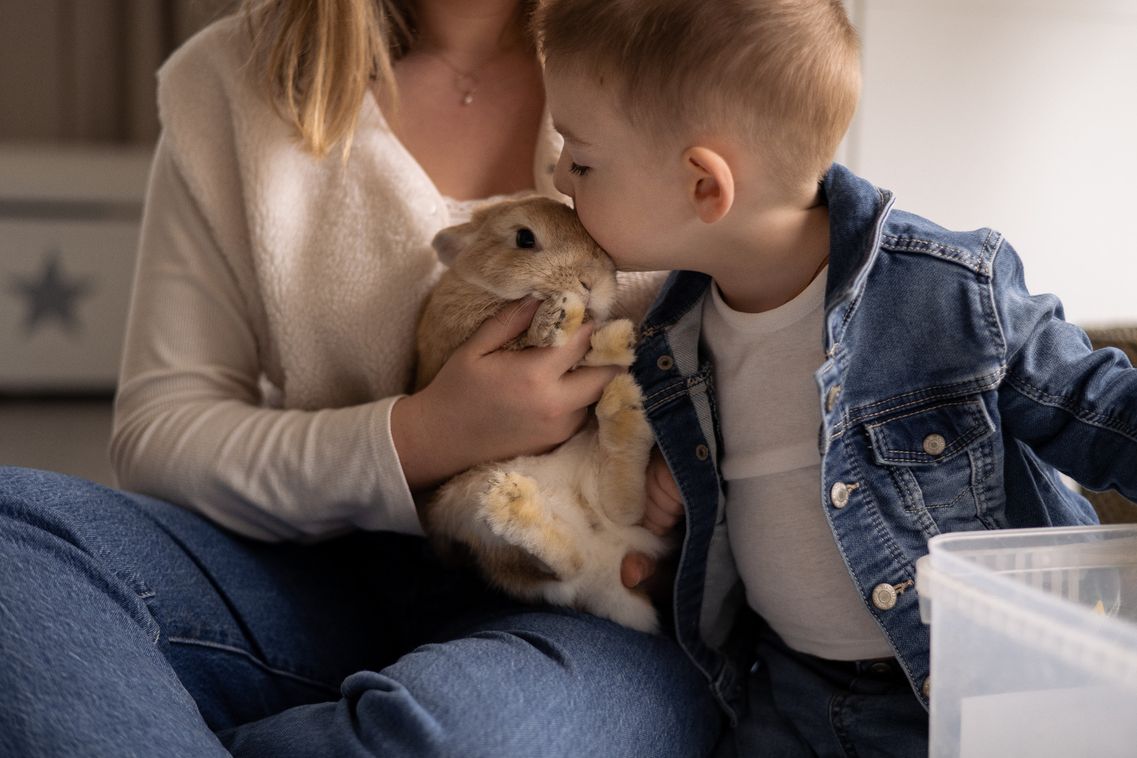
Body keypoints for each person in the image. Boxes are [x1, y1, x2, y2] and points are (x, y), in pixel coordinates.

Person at [0, 1, 723, 756]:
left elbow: (792, 325)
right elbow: (162, 431)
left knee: (474, 737)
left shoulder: (678, 43)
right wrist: (420, 436)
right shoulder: (229, 79)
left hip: (592, 594)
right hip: (303, 579)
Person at [534, 0, 1137, 754]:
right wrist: (675, 484)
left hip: (974, 693)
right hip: (788, 689)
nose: (558, 175)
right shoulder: (672, 331)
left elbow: (1104, 410)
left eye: (581, 158)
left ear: (703, 186)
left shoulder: (944, 292)